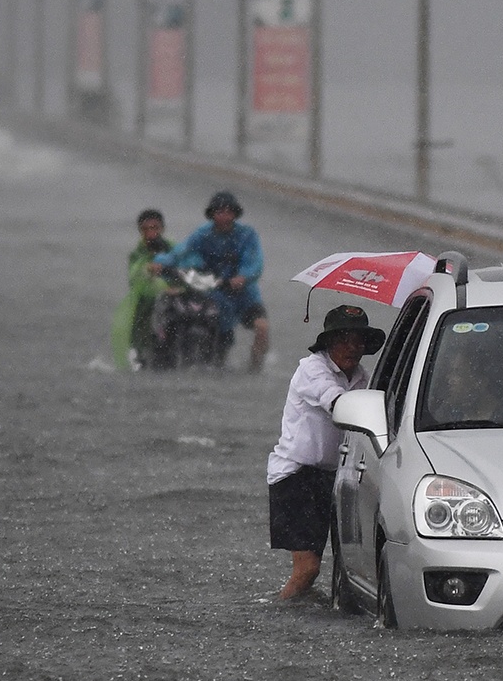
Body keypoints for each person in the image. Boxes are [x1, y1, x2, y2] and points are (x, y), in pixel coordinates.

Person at [266, 304, 383, 601]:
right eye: (344, 340)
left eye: (358, 341)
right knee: (308, 569)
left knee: (347, 567)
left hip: (334, 478)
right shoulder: (312, 369)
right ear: (329, 343)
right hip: (296, 477)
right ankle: (281, 612)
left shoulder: (361, 378)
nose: (352, 348)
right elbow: (334, 401)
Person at [157, 190, 270, 372]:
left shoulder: (247, 235)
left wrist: (243, 276)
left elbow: (254, 261)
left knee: (262, 327)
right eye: (219, 212)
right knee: (216, 338)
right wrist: (161, 264)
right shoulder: (203, 235)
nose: (224, 216)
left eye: (228, 212)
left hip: (245, 296)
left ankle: (254, 369)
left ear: (235, 213)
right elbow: (181, 252)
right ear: (212, 214)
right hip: (217, 296)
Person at [110, 208, 174, 370]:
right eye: (146, 229)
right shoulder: (137, 254)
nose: (151, 233)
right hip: (147, 300)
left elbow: (189, 263)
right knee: (140, 314)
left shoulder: (174, 248)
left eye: (155, 228)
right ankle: (140, 352)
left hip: (174, 296)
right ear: (140, 231)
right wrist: (149, 270)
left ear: (162, 229)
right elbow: (135, 276)